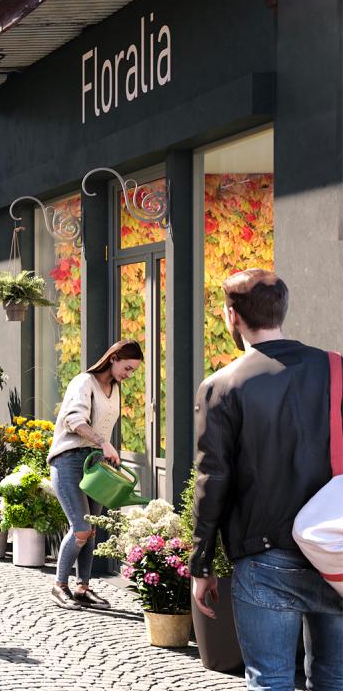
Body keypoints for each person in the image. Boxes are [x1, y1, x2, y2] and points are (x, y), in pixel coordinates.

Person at [190, 269, 343, 690]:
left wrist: (201, 563)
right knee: (335, 677)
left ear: (231, 318)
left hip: (265, 555)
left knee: (270, 680)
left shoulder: (220, 386)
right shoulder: (336, 369)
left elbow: (213, 479)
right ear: (283, 311)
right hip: (335, 549)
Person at [47, 339, 144, 610]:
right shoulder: (83, 382)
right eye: (127, 367)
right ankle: (59, 586)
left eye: (133, 371)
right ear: (113, 358)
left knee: (90, 530)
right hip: (68, 460)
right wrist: (103, 442)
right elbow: (73, 420)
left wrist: (107, 454)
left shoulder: (114, 390)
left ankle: (82, 588)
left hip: (97, 466)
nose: (128, 374)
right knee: (80, 528)